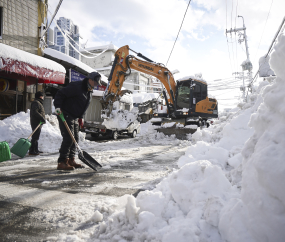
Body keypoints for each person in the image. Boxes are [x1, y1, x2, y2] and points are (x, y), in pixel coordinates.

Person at [54, 71, 102, 170]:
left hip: (75, 117)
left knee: (75, 138)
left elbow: (84, 105)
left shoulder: (89, 90)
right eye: (96, 82)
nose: (97, 85)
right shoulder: (77, 86)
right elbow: (60, 93)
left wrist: (81, 117)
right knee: (68, 138)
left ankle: (71, 160)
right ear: (90, 79)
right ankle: (62, 161)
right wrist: (58, 106)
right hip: (65, 113)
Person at [29, 91, 46, 155]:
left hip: (38, 122)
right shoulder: (36, 103)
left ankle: (35, 149)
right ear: (40, 96)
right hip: (36, 122)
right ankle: (32, 150)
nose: (43, 97)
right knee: (35, 136)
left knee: (36, 136)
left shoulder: (38, 103)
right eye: (43, 96)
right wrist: (41, 118)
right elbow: (35, 112)